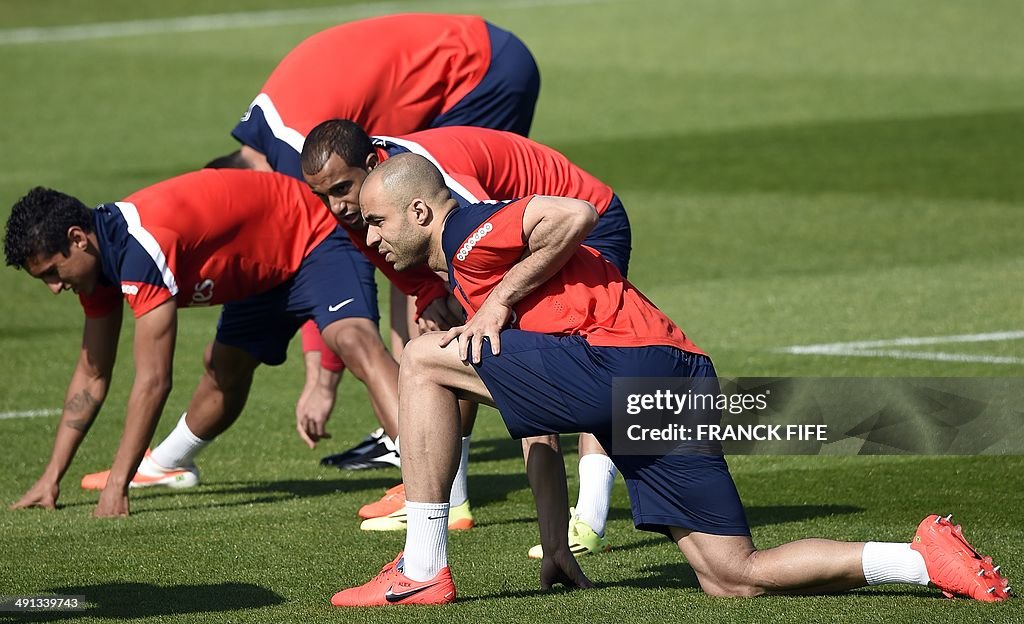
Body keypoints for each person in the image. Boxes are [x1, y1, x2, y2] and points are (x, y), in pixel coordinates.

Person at [328, 153, 1011, 606]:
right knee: (731, 576)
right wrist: (557, 543)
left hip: (625, 368)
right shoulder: (470, 282)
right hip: (677, 380)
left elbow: (575, 214)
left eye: (379, 221)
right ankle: (926, 561)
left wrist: (502, 298)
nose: (372, 237)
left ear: (420, 212)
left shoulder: (473, 233)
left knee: (420, 359)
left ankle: (420, 570)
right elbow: (536, 425)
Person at [211, 12, 542, 472]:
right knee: (414, 253)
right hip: (477, 57)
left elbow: (326, 265)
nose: (330, 204)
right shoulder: (273, 134)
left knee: (441, 252)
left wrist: (323, 379)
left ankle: (432, 458)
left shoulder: (294, 155)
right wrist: (427, 291)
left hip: (481, 70)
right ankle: (424, 435)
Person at [299, 119, 626, 554]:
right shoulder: (373, 203)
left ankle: (589, 517)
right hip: (523, 234)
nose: (336, 207)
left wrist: (497, 307)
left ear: (374, 162)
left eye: (342, 189)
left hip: (583, 218)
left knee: (545, 352)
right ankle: (451, 502)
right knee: (446, 338)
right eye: (323, 196)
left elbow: (511, 236)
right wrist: (430, 295)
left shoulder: (442, 186)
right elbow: (398, 258)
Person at [3, 169, 398, 517]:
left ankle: (436, 491)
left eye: (53, 272)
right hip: (264, 273)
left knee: (354, 342)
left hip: (316, 238)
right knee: (224, 370)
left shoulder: (141, 251)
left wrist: (116, 485)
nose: (54, 288)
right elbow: (92, 375)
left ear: (77, 239)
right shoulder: (97, 266)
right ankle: (169, 464)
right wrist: (51, 477)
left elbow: (154, 381)